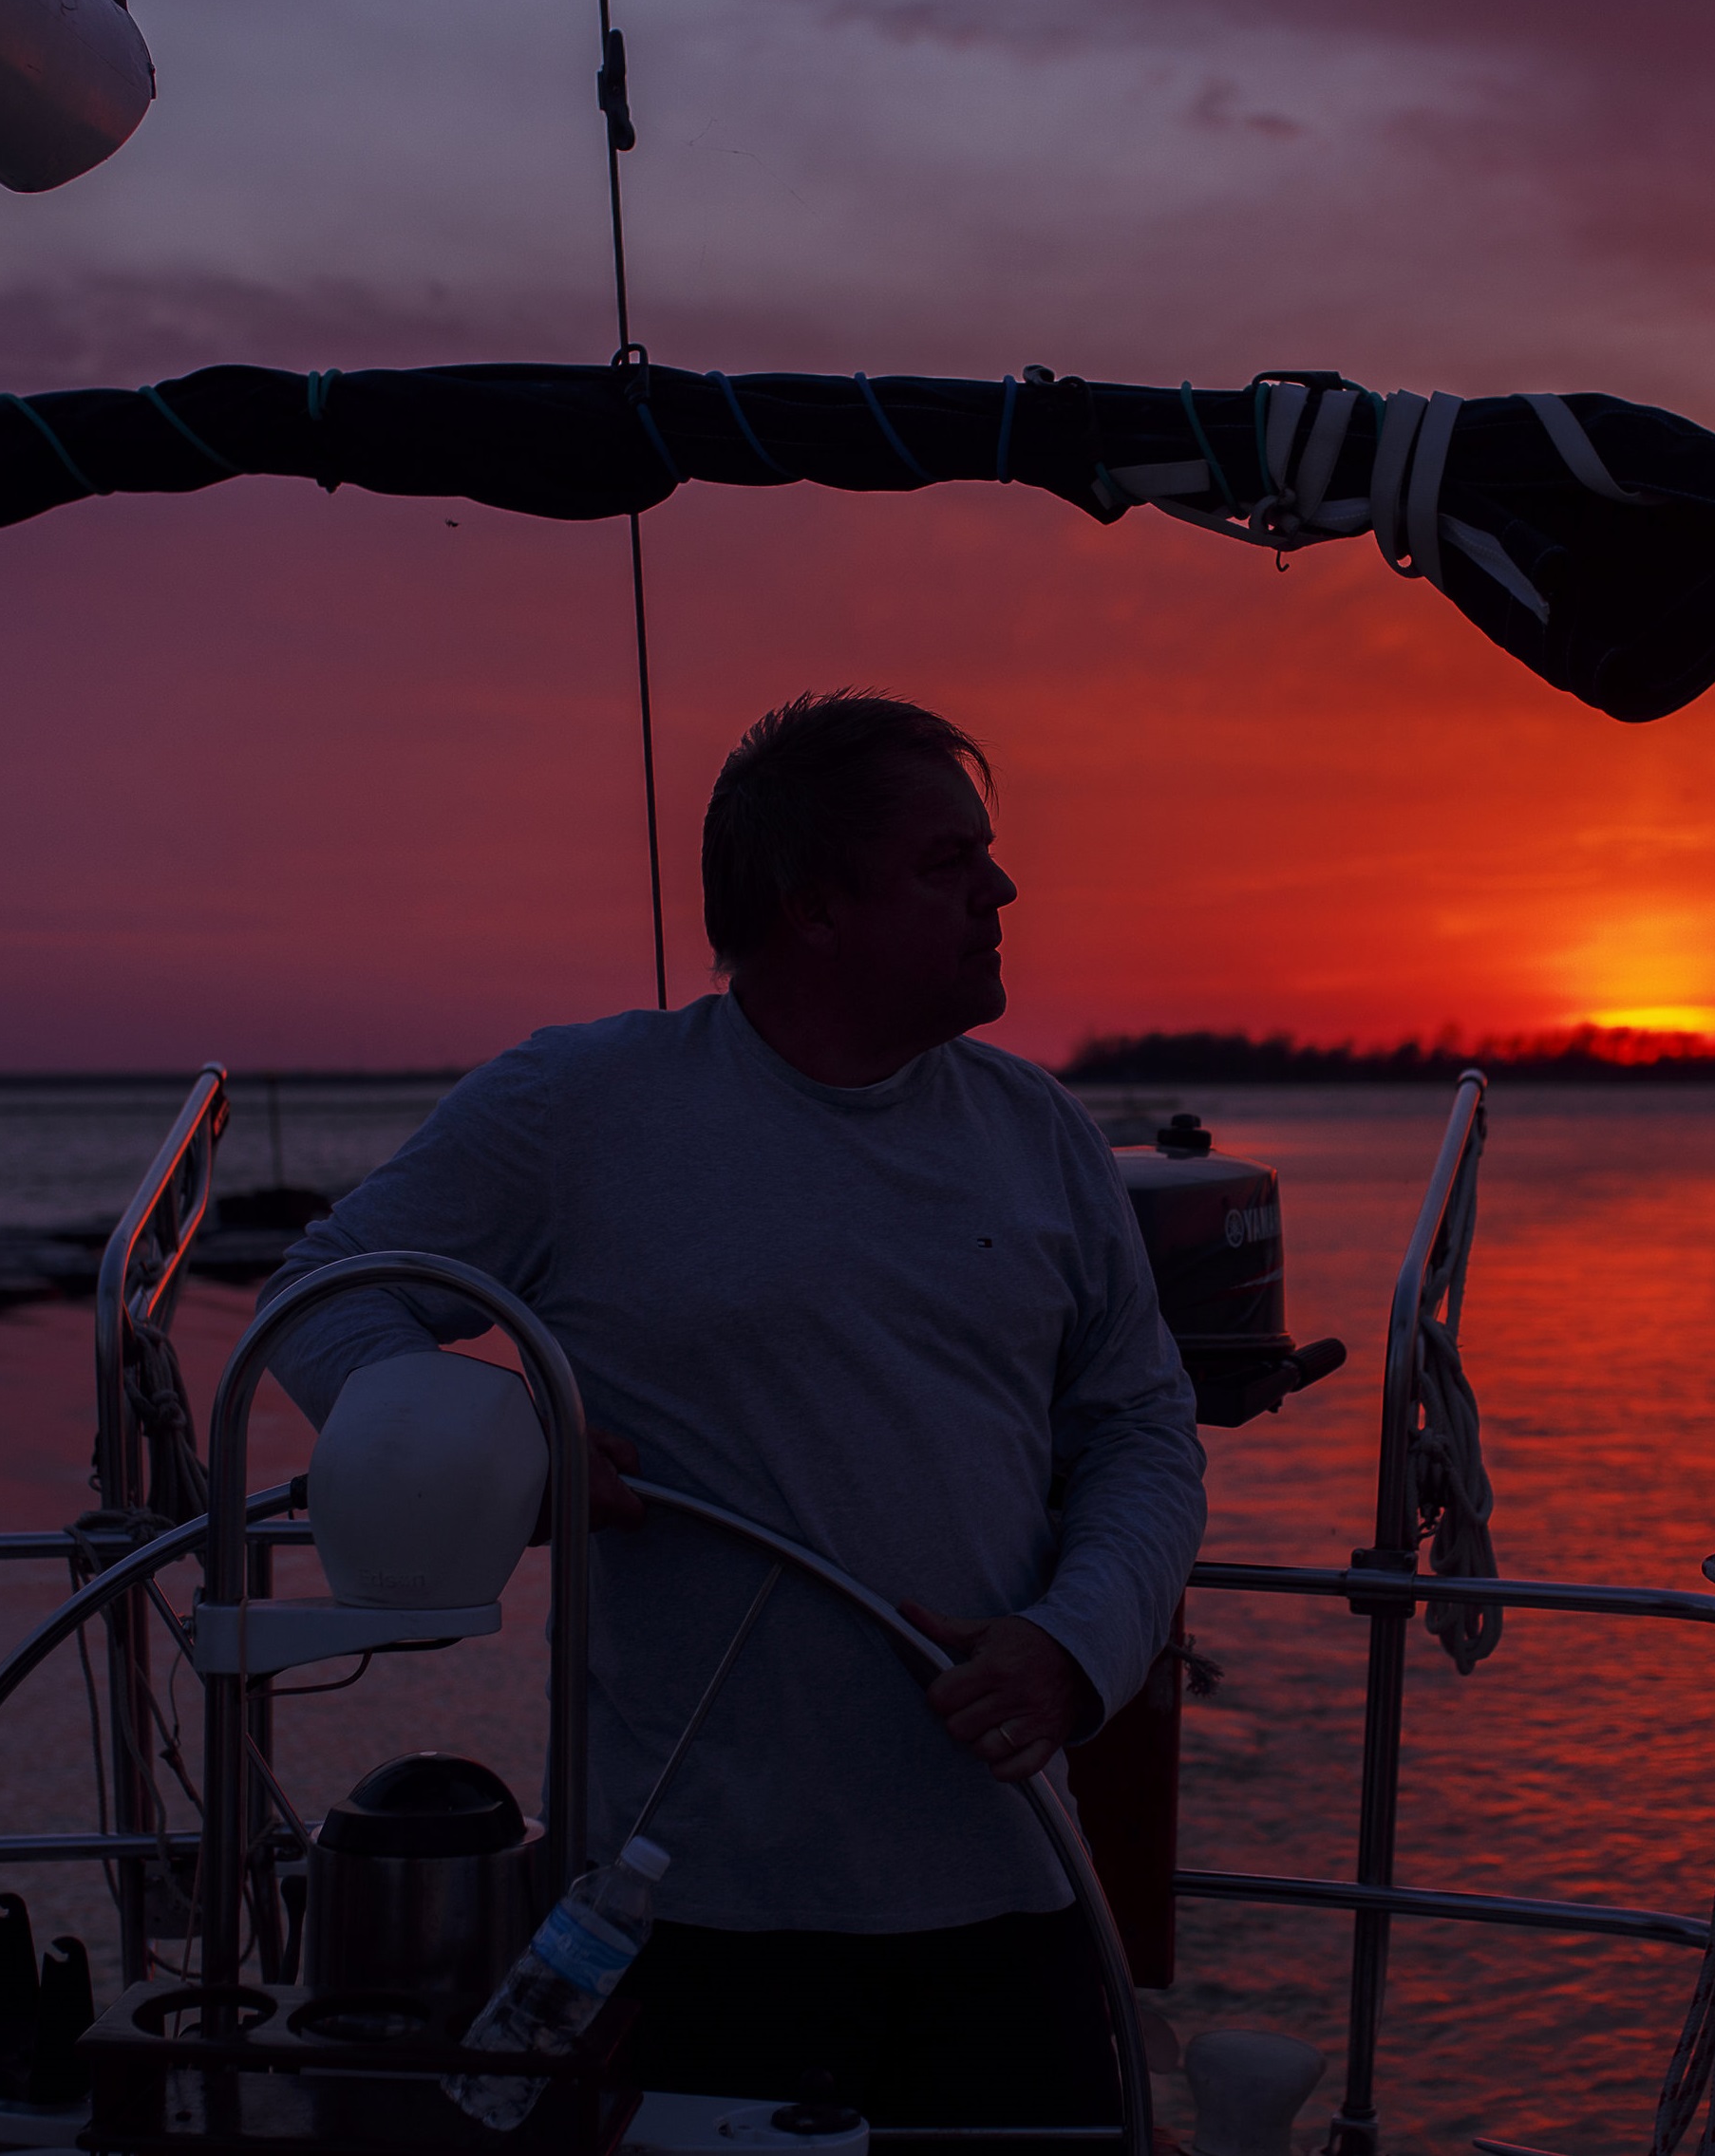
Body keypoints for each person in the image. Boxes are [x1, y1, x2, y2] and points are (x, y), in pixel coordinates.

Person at [262, 692, 1204, 2122]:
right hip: (692, 1914)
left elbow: (1143, 1430)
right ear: (812, 905)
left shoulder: (1041, 1133)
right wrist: (504, 1454)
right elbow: (327, 1292)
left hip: (1013, 1892)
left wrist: (1075, 1651)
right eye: (949, 863)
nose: (1000, 890)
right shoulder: (580, 1108)